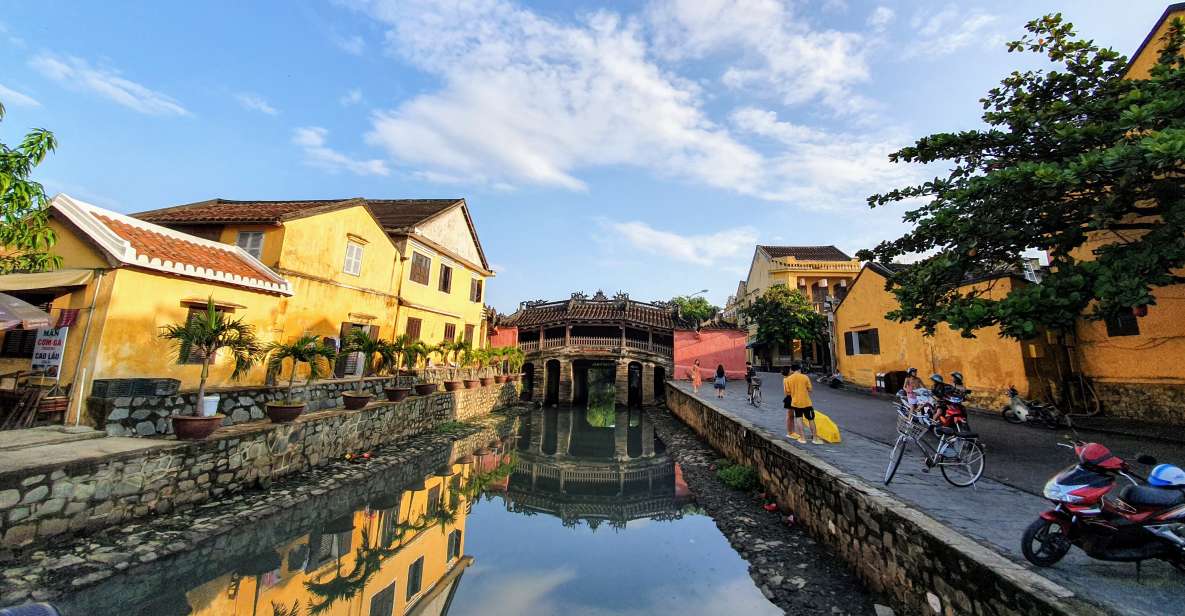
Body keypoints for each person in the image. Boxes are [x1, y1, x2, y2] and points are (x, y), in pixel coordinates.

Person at [784, 363, 822, 444]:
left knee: (799, 418)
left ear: (792, 370)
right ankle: (815, 438)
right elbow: (810, 389)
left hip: (795, 402)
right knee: (811, 419)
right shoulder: (805, 377)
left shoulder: (788, 379)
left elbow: (787, 392)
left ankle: (802, 438)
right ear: (799, 369)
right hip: (806, 402)